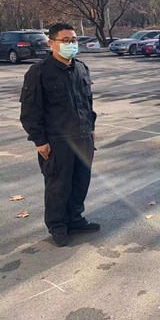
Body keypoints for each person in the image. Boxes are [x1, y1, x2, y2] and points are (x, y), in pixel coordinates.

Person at [20, 22, 99, 247]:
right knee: (58, 186)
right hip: (57, 141)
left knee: (81, 182)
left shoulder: (81, 68)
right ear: (51, 43)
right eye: (65, 41)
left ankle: (75, 219)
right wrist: (39, 140)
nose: (71, 44)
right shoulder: (39, 72)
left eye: (73, 40)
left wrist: (91, 128)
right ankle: (57, 226)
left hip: (83, 137)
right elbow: (30, 111)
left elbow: (87, 102)